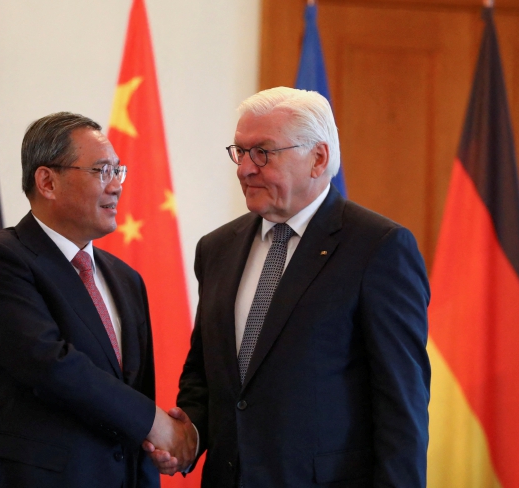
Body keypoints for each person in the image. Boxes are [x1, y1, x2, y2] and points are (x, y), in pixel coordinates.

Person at [152, 87, 431, 486]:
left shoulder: (378, 248)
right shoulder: (217, 248)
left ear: (318, 158)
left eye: (263, 152)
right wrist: (189, 436)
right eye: (240, 151)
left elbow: (402, 404)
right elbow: (207, 374)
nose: (245, 168)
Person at [0, 112, 195, 488]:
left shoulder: (126, 280)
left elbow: (131, 396)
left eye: (119, 171)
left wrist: (153, 451)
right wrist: (156, 423)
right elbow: (52, 367)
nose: (116, 186)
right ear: (47, 181)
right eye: (102, 171)